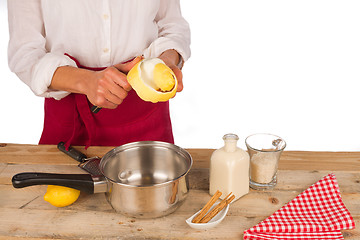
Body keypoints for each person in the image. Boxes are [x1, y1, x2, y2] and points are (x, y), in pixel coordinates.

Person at [7, 0, 191, 148]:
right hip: (70, 119)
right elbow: (24, 52)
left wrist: (168, 59)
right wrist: (86, 81)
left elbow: (171, 25)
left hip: (147, 114)